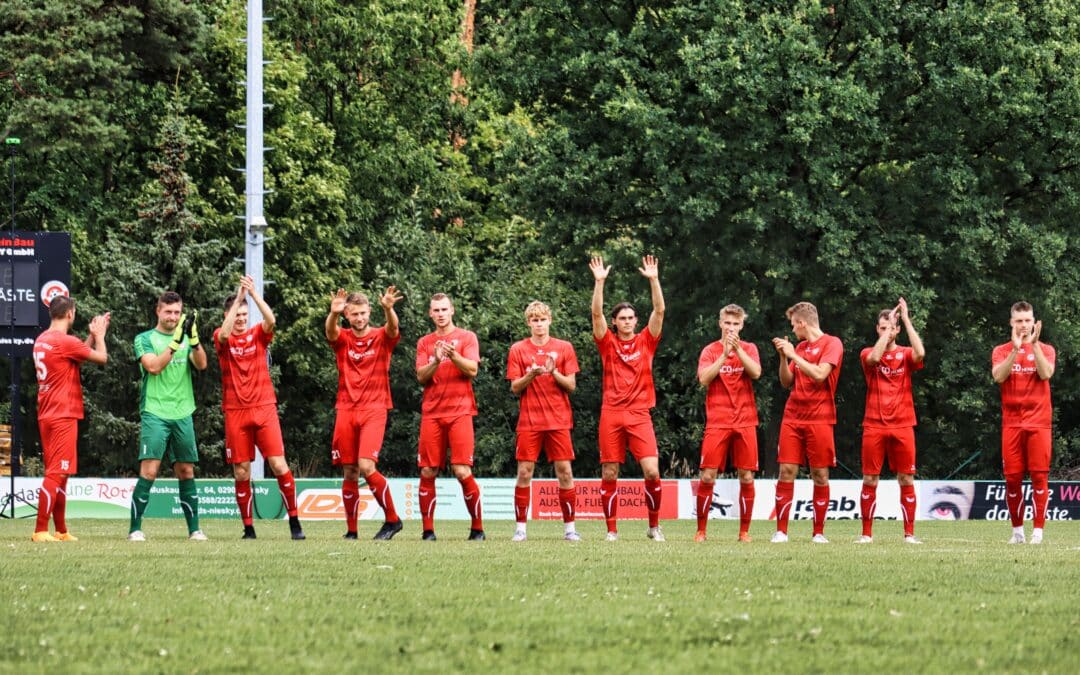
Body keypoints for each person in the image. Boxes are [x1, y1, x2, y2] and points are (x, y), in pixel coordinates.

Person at [215, 276, 304, 540]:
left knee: (278, 464)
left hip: (264, 408)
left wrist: (252, 296)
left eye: (244, 314)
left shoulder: (258, 335)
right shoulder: (223, 339)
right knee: (241, 470)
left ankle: (295, 522)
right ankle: (249, 528)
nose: (241, 319)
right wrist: (238, 299)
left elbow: (272, 321)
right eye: (237, 314)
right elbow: (222, 333)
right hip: (235, 411)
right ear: (229, 314)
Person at [590, 255, 666, 542]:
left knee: (651, 470)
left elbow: (659, 310)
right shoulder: (607, 342)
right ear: (615, 322)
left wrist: (654, 279)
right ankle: (611, 530)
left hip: (639, 413)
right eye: (621, 318)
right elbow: (596, 315)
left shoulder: (646, 340)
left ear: (636, 321)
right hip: (611, 413)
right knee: (610, 472)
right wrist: (599, 283)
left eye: (631, 318)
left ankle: (654, 527)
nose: (627, 322)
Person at [127, 291, 208, 541]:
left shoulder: (185, 338)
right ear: (158, 312)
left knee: (186, 471)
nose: (173, 317)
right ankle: (135, 529)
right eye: (168, 312)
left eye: (176, 312)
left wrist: (193, 340)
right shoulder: (144, 339)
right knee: (149, 472)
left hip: (183, 412)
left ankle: (194, 530)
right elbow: (153, 366)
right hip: (155, 412)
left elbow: (202, 364)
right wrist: (175, 342)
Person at [326, 286, 404, 540]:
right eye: (354, 314)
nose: (359, 318)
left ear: (370, 311)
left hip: (374, 408)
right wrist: (333, 313)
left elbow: (393, 330)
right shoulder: (344, 338)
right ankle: (351, 531)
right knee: (349, 470)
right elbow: (331, 332)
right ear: (348, 315)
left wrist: (389, 309)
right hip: (346, 408)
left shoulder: (381, 336)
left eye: (363, 313)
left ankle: (392, 520)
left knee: (366, 465)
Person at [30, 297, 109, 542]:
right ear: (70, 314)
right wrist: (100, 335)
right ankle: (40, 530)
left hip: (47, 413)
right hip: (63, 413)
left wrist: (90, 337)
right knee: (56, 473)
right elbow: (101, 358)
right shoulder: (65, 341)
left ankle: (61, 530)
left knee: (60, 473)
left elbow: (76, 355)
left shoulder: (42, 339)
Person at [507, 301, 581, 542]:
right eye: (534, 320)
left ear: (550, 320)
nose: (539, 324)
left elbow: (571, 385)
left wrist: (553, 372)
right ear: (528, 323)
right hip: (529, 422)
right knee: (525, 473)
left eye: (542, 319)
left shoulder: (564, 347)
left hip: (559, 421)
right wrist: (531, 374)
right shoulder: (518, 349)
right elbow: (515, 387)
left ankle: (570, 529)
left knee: (565, 472)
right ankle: (520, 529)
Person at [770, 302, 843, 544]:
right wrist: (784, 358)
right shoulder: (799, 347)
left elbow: (821, 375)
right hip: (793, 417)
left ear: (802, 323)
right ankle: (781, 531)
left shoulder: (832, 343)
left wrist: (792, 354)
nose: (792, 330)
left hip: (820, 418)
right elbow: (786, 381)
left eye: (794, 325)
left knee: (820, 474)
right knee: (786, 471)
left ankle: (818, 533)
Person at [415, 293, 484, 541]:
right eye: (436, 310)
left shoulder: (467, 337)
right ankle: (428, 531)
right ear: (430, 314)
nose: (441, 314)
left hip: (460, 412)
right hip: (432, 414)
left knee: (462, 470)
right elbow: (422, 377)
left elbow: (472, 370)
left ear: (452, 310)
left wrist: (453, 355)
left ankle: (477, 529)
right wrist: (435, 359)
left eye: (444, 309)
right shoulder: (424, 342)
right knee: (428, 471)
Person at [858, 298, 925, 544]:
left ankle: (909, 534)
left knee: (906, 478)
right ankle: (866, 534)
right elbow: (874, 359)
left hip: (903, 424)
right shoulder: (867, 352)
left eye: (892, 328)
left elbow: (920, 353)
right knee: (870, 479)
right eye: (883, 327)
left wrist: (905, 319)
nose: (888, 331)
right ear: (877, 329)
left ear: (898, 330)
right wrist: (884, 337)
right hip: (873, 425)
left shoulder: (905, 354)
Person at [695, 304, 761, 543]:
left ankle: (744, 532)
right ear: (720, 323)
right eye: (727, 323)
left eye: (736, 324)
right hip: (718, 421)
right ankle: (701, 531)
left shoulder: (750, 348)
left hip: (745, 421)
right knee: (707, 476)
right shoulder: (710, 350)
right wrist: (724, 354)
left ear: (741, 325)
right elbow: (704, 379)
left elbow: (755, 373)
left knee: (746, 476)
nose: (731, 328)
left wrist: (737, 351)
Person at [991, 301, 1055, 544]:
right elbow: (998, 376)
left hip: (1039, 423)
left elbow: (1046, 373)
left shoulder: (1046, 349)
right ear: (1011, 323)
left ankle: (1037, 531)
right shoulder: (1001, 350)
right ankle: (1017, 532)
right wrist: (1016, 350)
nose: (1024, 325)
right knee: (1013, 479)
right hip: (1012, 425)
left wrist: (1034, 345)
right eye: (1019, 321)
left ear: (1034, 322)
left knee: (1039, 477)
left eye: (1028, 320)